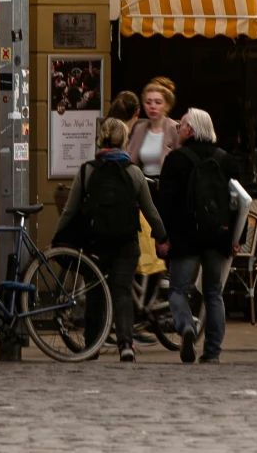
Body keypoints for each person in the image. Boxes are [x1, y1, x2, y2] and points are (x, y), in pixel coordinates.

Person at [54, 115, 164, 363]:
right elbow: (150, 211)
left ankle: (92, 346)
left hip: (95, 243)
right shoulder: (134, 173)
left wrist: (58, 237)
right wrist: (162, 236)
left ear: (100, 139)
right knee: (122, 292)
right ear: (125, 141)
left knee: (95, 294)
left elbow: (70, 211)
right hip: (126, 243)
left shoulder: (87, 170)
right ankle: (126, 343)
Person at [157, 106, 249, 367]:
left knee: (177, 290)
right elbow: (240, 203)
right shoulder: (227, 160)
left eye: (180, 126)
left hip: (185, 237)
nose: (178, 130)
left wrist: (162, 236)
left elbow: (165, 203)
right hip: (217, 237)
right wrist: (237, 238)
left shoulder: (176, 160)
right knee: (213, 294)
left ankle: (186, 325)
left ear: (191, 129)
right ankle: (212, 352)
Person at [126, 77, 178, 182]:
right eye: (148, 102)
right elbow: (130, 158)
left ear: (167, 105)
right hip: (143, 184)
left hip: (167, 184)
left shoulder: (175, 129)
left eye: (158, 102)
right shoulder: (139, 128)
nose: (152, 106)